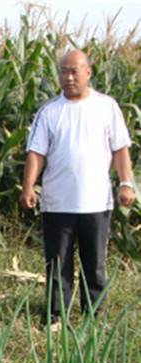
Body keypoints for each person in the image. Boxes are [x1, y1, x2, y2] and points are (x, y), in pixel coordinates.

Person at [20, 49, 135, 328]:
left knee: (94, 263)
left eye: (74, 71)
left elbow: (120, 150)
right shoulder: (49, 112)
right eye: (63, 71)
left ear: (88, 72)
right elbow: (36, 153)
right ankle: (55, 317)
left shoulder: (106, 107)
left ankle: (93, 316)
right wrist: (28, 187)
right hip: (58, 203)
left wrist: (126, 183)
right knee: (57, 263)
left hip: (96, 202)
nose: (69, 77)